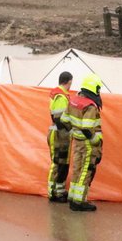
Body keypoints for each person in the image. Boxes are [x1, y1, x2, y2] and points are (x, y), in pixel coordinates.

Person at [66, 74, 104, 212]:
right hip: (88, 143)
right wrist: (96, 141)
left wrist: (74, 133)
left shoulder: (74, 100)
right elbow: (87, 128)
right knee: (86, 171)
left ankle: (72, 196)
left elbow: (65, 120)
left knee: (76, 168)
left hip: (76, 141)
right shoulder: (90, 106)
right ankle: (79, 201)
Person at [46, 71, 75, 202]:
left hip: (62, 135)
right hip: (59, 134)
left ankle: (59, 191)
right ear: (68, 82)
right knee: (58, 164)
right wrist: (71, 127)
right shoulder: (61, 96)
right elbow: (59, 118)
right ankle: (52, 192)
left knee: (63, 164)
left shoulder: (60, 94)